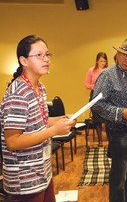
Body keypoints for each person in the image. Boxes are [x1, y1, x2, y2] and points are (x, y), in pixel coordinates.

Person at [0, 35, 76, 202]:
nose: (46, 59)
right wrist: (54, 131)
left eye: (47, 54)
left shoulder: (40, 87)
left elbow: (38, 122)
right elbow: (13, 141)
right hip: (25, 179)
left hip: (42, 171)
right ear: (24, 61)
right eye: (39, 55)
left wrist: (60, 120)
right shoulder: (18, 95)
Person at [91, 39, 127, 202]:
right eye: (123, 54)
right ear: (117, 54)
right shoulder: (107, 75)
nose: (126, 59)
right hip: (120, 131)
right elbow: (97, 105)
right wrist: (120, 113)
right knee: (119, 176)